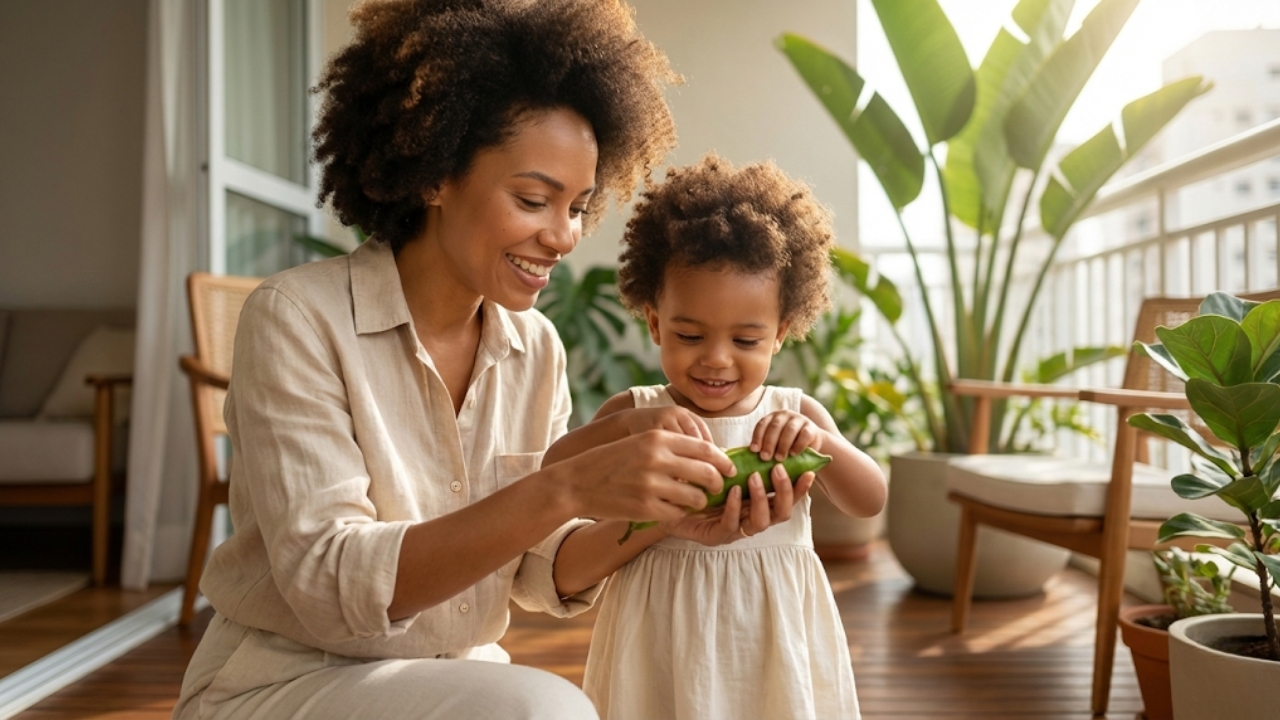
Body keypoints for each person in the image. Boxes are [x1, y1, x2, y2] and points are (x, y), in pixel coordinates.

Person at [172, 2, 809, 718]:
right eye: (534, 199)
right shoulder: (298, 318)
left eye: (578, 207)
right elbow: (330, 584)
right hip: (283, 684)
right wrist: (567, 485)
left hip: (452, 684)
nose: (563, 237)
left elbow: (540, 569)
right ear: (435, 174)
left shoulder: (534, 348)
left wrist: (663, 519)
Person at [542, 153, 889, 720]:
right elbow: (552, 472)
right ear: (655, 322)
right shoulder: (636, 411)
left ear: (780, 334)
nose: (717, 359)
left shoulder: (795, 414)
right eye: (689, 335)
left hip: (772, 633)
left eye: (746, 341)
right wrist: (627, 428)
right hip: (658, 631)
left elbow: (869, 499)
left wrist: (822, 444)